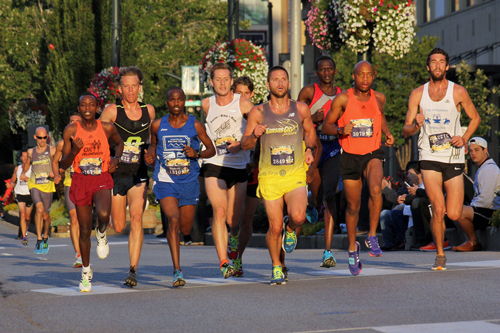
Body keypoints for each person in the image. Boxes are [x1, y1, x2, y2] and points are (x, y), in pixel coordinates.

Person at [402, 48, 480, 270]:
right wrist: (415, 125)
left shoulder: (458, 92)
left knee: (453, 212)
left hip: (453, 156)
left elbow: (475, 118)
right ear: (428, 67)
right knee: (438, 208)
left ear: (447, 67)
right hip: (429, 155)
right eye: (433, 62)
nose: (437, 65)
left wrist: (464, 138)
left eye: (441, 62)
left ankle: (474, 235)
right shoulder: (418, 94)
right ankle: (439, 254)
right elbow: (406, 131)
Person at [242, 66, 318, 285]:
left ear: (289, 83)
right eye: (275, 79)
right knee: (274, 227)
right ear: (268, 85)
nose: (280, 83)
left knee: (298, 216)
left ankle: (291, 229)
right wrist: (254, 136)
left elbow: (310, 133)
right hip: (269, 176)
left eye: (283, 79)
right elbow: (245, 143)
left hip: (295, 173)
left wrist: (309, 150)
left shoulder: (301, 109)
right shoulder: (258, 112)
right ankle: (276, 265)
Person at [322, 61, 394, 276]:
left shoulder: (379, 97)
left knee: (374, 189)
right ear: (353, 76)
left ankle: (372, 236)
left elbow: (380, 118)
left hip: (372, 152)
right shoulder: (343, 98)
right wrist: (341, 129)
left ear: (374, 76)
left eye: (368, 75)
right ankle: (353, 248)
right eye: (360, 74)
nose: (364, 78)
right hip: (350, 155)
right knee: (352, 206)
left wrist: (388, 134)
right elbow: (326, 125)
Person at [146, 86, 215, 287]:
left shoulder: (196, 125)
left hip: (189, 181)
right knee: (173, 220)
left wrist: (197, 154)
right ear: (167, 102)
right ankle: (177, 270)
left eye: (179, 100)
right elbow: (152, 146)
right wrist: (150, 156)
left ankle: (179, 256)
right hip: (166, 180)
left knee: (185, 228)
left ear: (183, 101)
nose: (175, 103)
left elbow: (211, 149)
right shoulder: (157, 125)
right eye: (172, 99)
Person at [57, 92, 123, 292]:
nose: (87, 108)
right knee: (84, 230)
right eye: (83, 105)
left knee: (103, 214)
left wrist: (116, 159)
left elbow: (120, 144)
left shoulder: (107, 128)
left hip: (101, 177)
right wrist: (75, 153)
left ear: (97, 108)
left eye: (91, 104)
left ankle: (102, 233)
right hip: (80, 180)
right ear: (79, 108)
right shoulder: (70, 131)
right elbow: (62, 164)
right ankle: (86, 271)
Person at [100, 66, 156, 287]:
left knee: (136, 219)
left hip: (138, 174)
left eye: (134, 86)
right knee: (119, 226)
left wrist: (151, 153)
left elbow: (153, 139)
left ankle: (132, 269)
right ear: (120, 89)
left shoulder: (149, 110)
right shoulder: (112, 112)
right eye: (126, 86)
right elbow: (99, 137)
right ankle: (101, 230)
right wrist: (108, 159)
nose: (131, 90)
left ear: (140, 87)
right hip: (116, 174)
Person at [201, 63, 254, 278]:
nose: (222, 83)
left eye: (226, 79)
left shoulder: (243, 104)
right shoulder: (206, 104)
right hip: (214, 163)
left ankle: (234, 237)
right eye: (218, 79)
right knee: (219, 211)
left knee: (234, 219)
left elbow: (258, 128)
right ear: (211, 82)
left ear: (232, 81)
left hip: (239, 165)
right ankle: (224, 261)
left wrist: (243, 144)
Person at [298, 55, 342, 268]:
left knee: (330, 194)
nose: (326, 73)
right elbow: (293, 117)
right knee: (318, 195)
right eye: (322, 69)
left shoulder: (343, 95)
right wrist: (311, 119)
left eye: (329, 69)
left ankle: (327, 251)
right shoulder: (309, 92)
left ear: (334, 71)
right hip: (314, 149)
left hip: (333, 148)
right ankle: (313, 205)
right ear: (316, 73)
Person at [228, 76, 258, 277]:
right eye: (238, 93)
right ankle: (232, 237)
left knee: (247, 220)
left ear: (252, 94)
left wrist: (254, 162)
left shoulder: (258, 114)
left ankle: (238, 258)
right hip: (233, 168)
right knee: (234, 219)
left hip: (253, 170)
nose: (243, 97)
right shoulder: (229, 116)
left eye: (246, 93)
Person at [452, 137, 500, 251]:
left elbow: (486, 199)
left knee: (459, 212)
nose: (473, 153)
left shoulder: (490, 169)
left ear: (485, 150)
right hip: (483, 208)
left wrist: (470, 208)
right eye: (471, 150)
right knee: (453, 211)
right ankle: (469, 241)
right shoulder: (483, 167)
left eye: (477, 150)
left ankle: (473, 242)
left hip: (490, 212)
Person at [53, 111, 84, 267]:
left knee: (85, 221)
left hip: (86, 183)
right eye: (71, 121)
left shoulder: (89, 140)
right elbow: (56, 161)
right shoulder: (63, 144)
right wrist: (56, 173)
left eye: (77, 121)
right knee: (74, 218)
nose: (73, 124)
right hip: (70, 183)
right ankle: (78, 254)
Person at [21, 127, 56, 255]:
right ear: (35, 137)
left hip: (48, 185)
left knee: (46, 215)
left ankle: (46, 236)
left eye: (44, 138)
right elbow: (28, 164)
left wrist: (55, 172)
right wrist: (23, 172)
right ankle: (39, 238)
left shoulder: (52, 150)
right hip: (34, 184)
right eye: (40, 138)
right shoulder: (31, 152)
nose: (42, 140)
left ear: (47, 137)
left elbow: (59, 162)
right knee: (39, 209)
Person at [9, 150, 33, 245]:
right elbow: (13, 179)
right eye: (23, 156)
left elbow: (36, 180)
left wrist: (27, 179)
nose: (25, 158)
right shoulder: (17, 168)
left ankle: (25, 228)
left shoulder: (32, 168)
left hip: (29, 193)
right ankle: (24, 236)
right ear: (21, 158)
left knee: (27, 217)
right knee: (22, 214)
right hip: (20, 193)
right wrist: (11, 184)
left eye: (27, 156)